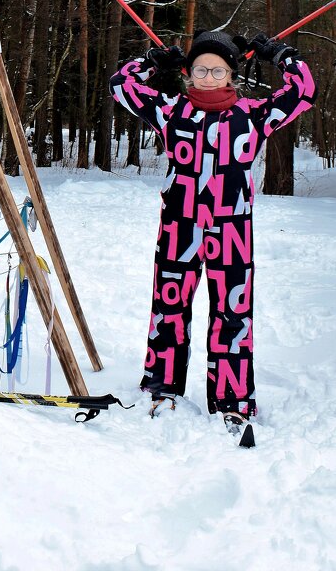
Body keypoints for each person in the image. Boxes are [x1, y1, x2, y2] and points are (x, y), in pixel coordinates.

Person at [109, 30, 316, 441]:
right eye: (200, 69)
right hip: (179, 224)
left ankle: (233, 401)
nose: (208, 77)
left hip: (232, 228)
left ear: (231, 75)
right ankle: (161, 388)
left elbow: (304, 90)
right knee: (169, 308)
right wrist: (153, 62)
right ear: (188, 73)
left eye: (217, 70)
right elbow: (121, 86)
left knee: (232, 315)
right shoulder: (170, 110)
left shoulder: (254, 115)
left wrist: (280, 55)